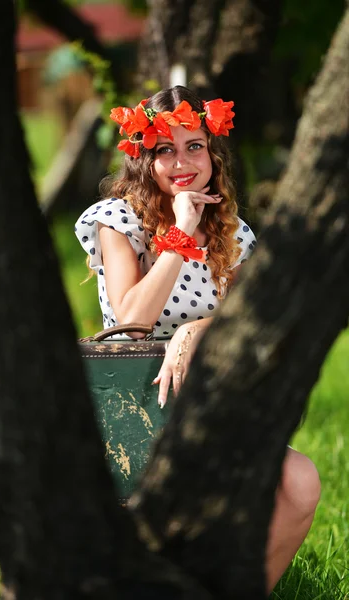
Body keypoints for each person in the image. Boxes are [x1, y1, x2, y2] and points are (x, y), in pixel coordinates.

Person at [75, 85, 320, 593]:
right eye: (165, 149)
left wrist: (195, 327)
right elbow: (133, 318)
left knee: (299, 485)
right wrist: (180, 234)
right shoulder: (116, 221)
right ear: (145, 158)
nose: (182, 162)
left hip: (207, 401)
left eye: (194, 146)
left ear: (213, 154)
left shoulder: (235, 233)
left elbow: (248, 322)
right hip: (135, 407)